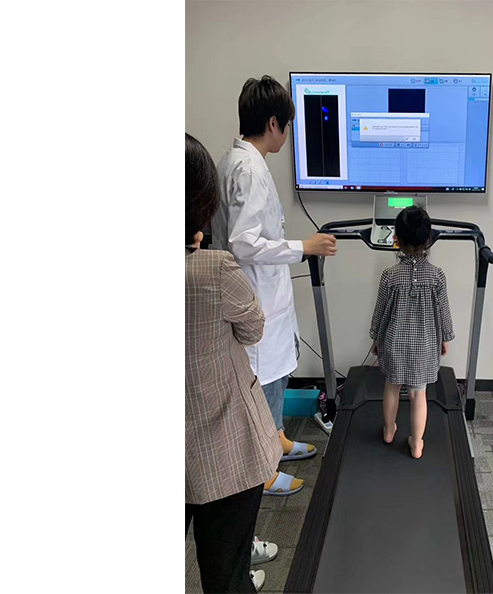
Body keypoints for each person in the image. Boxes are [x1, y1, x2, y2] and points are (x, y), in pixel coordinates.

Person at [212, 75, 337, 497]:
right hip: (253, 294)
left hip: (265, 293)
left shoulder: (238, 161)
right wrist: (304, 246)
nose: (288, 133)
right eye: (287, 125)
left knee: (277, 372)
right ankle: (262, 469)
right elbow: (242, 242)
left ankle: (278, 439)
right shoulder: (248, 169)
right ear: (272, 124)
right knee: (262, 378)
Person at [185, 132, 282, 592]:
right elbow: (252, 328)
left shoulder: (238, 162)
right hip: (223, 451)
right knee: (225, 575)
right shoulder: (215, 270)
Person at [370, 207, 455, 459]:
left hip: (394, 344)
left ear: (396, 238)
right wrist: (445, 338)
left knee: (392, 387)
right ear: (429, 239)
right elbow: (444, 312)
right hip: (425, 346)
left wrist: (376, 338)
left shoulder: (389, 276)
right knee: (419, 394)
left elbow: (380, 312)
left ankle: (389, 431)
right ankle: (417, 444)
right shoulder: (437, 276)